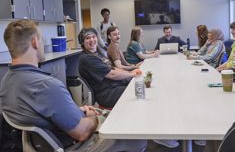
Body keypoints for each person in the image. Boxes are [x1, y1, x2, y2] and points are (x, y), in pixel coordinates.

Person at [0, 19, 146, 152]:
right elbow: (82, 132)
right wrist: (92, 117)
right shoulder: (47, 85)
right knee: (138, 137)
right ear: (34, 43)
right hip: (76, 145)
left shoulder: (6, 81)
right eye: (42, 39)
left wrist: (78, 109)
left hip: (42, 144)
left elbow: (44, 108)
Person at [78, 28, 139, 108]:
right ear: (82, 42)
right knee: (136, 90)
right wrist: (131, 74)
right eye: (87, 38)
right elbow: (112, 74)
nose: (92, 40)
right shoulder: (87, 59)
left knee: (138, 84)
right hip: (107, 93)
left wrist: (131, 73)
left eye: (93, 36)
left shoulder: (98, 54)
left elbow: (113, 68)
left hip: (114, 86)